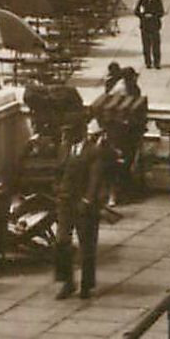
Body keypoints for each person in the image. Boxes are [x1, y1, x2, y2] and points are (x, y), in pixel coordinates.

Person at [55, 118, 108, 300]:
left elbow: (95, 178)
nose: (66, 136)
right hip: (65, 203)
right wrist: (59, 191)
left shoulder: (93, 152)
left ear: (81, 131)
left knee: (87, 246)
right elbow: (59, 172)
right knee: (62, 242)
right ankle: (66, 282)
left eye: (70, 132)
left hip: (84, 204)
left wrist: (87, 200)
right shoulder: (64, 149)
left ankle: (86, 284)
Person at [133, 0, 165, 69]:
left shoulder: (158, 1)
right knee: (146, 45)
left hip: (154, 26)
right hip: (145, 26)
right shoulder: (142, 1)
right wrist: (143, 16)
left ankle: (157, 63)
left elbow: (161, 12)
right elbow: (136, 11)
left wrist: (153, 16)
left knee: (156, 45)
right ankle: (148, 62)